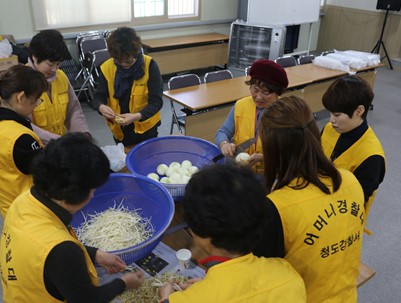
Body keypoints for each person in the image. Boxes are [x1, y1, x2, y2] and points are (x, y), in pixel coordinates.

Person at [0, 133, 144, 302]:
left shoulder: (23, 201)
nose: (93, 195)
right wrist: (124, 283)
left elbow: (50, 257)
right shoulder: (63, 251)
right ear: (73, 194)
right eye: (92, 190)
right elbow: (87, 300)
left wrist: (95, 254)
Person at [256, 95, 365, 303]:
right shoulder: (350, 180)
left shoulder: (277, 207)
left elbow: (263, 276)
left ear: (273, 149)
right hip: (348, 296)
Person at [159, 164, 306, 303]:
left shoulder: (184, 300)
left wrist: (165, 298)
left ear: (205, 237)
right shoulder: (289, 276)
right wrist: (206, 288)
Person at [321, 75, 386, 225]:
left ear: (359, 111)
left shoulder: (372, 156)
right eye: (330, 113)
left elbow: (356, 200)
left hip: (340, 220)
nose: (331, 120)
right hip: (317, 203)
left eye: (337, 115)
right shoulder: (330, 129)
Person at [92, 26, 163, 149]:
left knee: (148, 158)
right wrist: (101, 106)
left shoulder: (149, 65)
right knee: (126, 160)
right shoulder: (106, 67)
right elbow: (99, 95)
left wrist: (137, 116)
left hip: (146, 126)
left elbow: (156, 101)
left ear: (136, 53)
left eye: (129, 61)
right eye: (118, 61)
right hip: (121, 129)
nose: (124, 65)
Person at [215, 59, 288, 173]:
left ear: (277, 92)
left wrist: (264, 158)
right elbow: (222, 132)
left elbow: (291, 152)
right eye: (255, 90)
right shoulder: (241, 105)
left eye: (266, 92)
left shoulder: (285, 113)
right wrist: (224, 144)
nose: (259, 97)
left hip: (272, 174)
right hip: (242, 171)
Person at [27, 29, 91, 145]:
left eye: (58, 64)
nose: (54, 69)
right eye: (50, 64)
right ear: (35, 57)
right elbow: (25, 125)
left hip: (59, 144)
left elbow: (73, 109)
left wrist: (83, 135)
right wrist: (57, 141)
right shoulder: (23, 81)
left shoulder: (61, 77)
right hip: (36, 147)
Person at [0, 65, 48, 218]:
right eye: (35, 101)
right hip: (32, 208)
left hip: (9, 205)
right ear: (20, 98)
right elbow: (46, 169)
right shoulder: (20, 138)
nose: (35, 106)